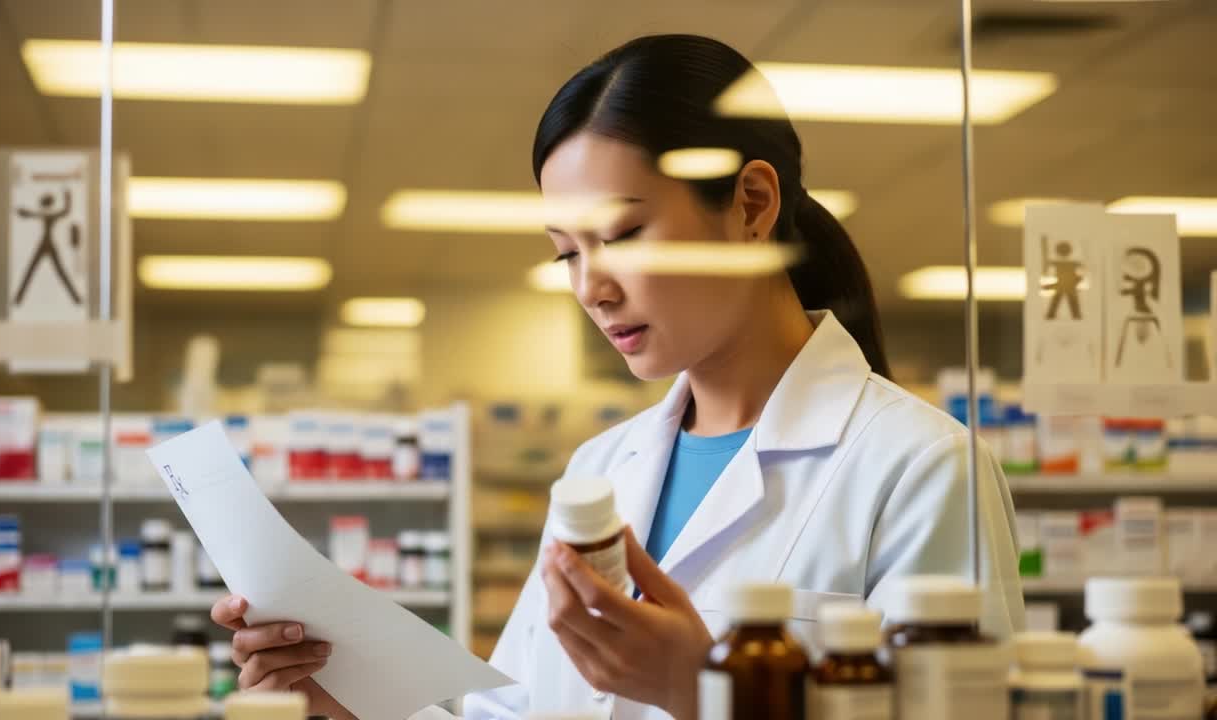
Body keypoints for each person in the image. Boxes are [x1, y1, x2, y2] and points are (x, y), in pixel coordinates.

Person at [211, 34, 1024, 720]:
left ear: (750, 203)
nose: (590, 288)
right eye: (566, 252)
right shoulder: (602, 469)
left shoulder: (920, 465)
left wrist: (709, 691)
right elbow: (528, 708)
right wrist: (351, 696)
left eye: (623, 234)